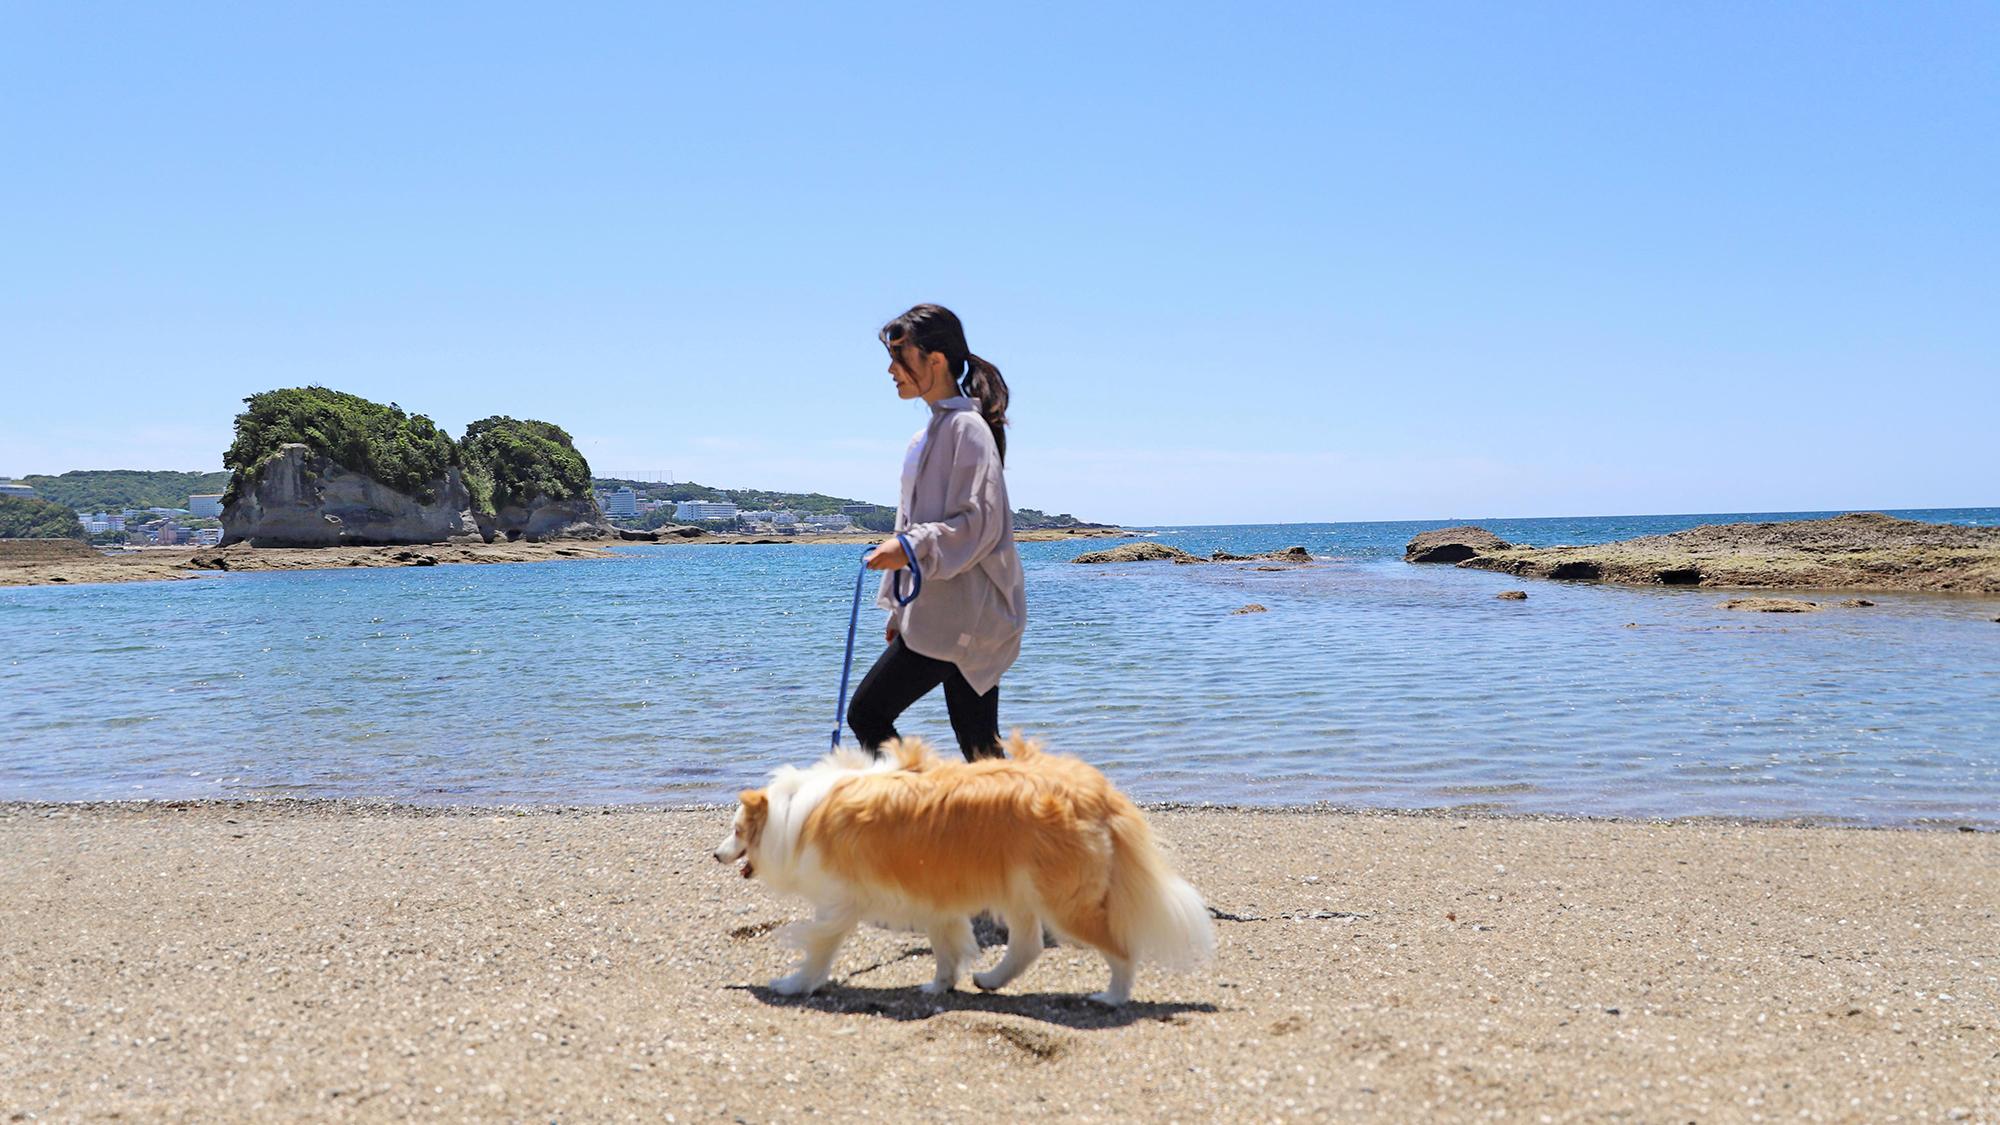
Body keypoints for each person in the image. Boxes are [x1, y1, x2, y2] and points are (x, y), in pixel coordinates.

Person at [848, 304, 1026, 761]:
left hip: (963, 619)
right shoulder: (925, 438)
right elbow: (913, 523)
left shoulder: (967, 430)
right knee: (981, 749)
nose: (891, 370)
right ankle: (1004, 827)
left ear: (936, 360)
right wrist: (899, 612)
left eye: (900, 356)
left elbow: (978, 523)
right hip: (943, 616)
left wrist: (907, 547)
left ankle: (920, 815)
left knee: (867, 714)